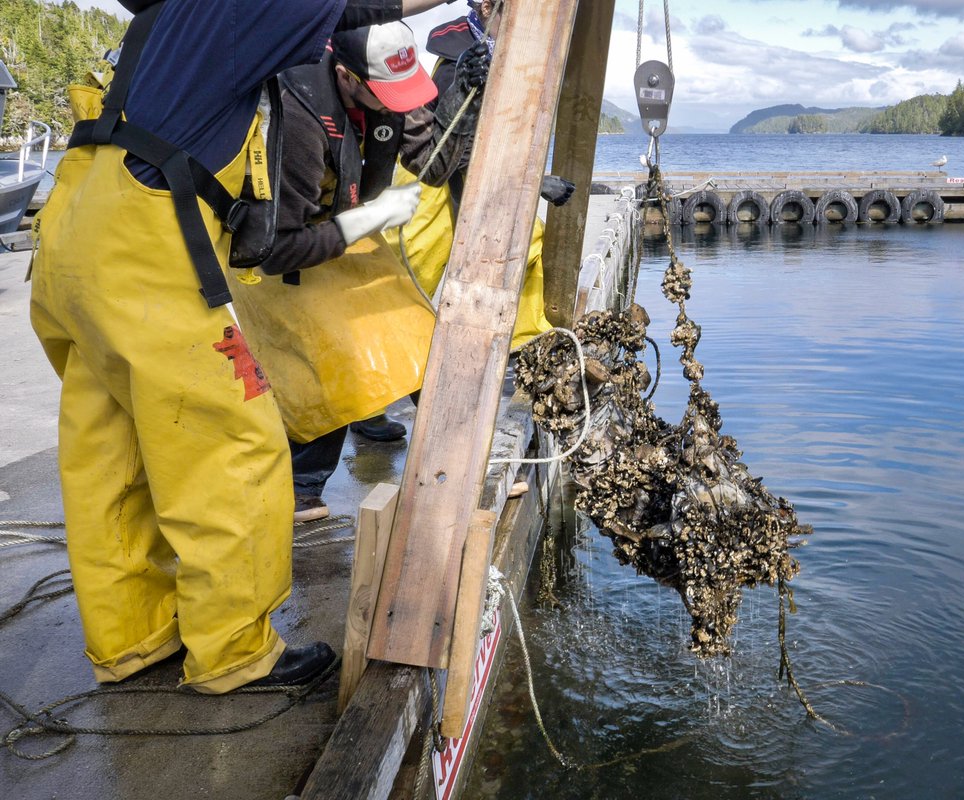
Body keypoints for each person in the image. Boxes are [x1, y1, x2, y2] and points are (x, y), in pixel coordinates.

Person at [26, 0, 422, 694]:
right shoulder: (237, 10)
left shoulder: (163, 18)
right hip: (143, 256)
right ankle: (235, 654)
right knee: (234, 448)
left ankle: (132, 639)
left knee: (111, 453)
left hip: (70, 238)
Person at [226, 19, 480, 524]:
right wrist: (371, 217)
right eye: (386, 96)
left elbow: (433, 165)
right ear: (345, 75)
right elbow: (277, 249)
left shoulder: (392, 88)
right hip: (288, 247)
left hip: (351, 229)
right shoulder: (299, 117)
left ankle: (462, 456)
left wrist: (462, 100)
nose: (398, 105)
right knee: (325, 357)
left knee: (421, 332)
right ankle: (301, 484)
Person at [396, 0, 574, 352]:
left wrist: (529, 180)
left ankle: (522, 347)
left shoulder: (511, 55)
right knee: (413, 265)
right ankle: (399, 352)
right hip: (430, 180)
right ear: (488, 8)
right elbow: (454, 150)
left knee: (527, 244)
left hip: (483, 174)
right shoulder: (456, 65)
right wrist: (533, 184)